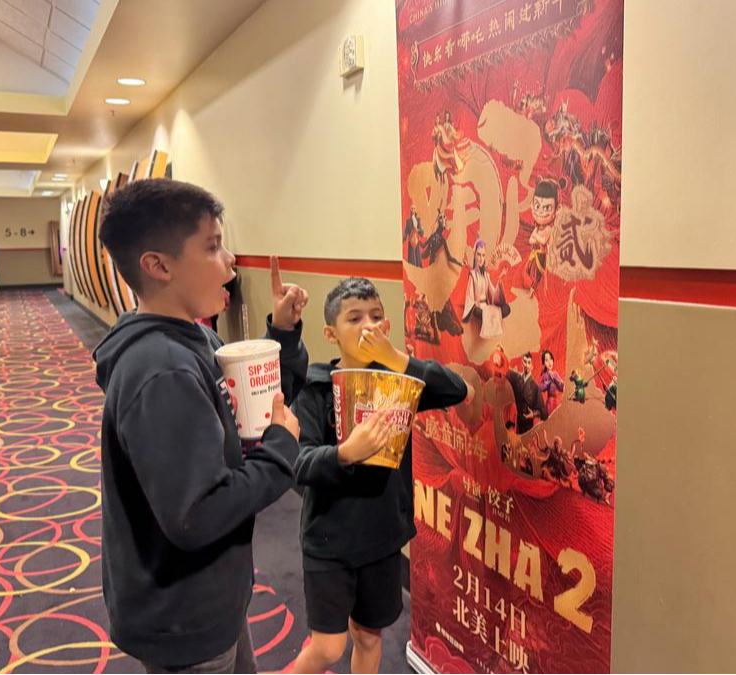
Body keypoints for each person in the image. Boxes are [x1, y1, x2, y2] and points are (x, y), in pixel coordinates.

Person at [92, 179, 310, 674]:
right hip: (181, 616)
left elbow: (253, 409)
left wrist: (282, 334)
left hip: (210, 594)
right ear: (159, 266)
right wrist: (282, 451)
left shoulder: (194, 338)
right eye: (212, 246)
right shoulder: (161, 369)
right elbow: (198, 514)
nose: (230, 262)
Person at [289, 277, 467, 675]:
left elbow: (456, 390)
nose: (368, 326)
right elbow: (298, 463)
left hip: (382, 536)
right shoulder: (315, 389)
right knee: (327, 648)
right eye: (354, 318)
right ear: (331, 334)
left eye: (376, 317)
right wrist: (344, 453)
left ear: (386, 326)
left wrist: (396, 358)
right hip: (329, 539)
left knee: (369, 637)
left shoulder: (399, 383)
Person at [462, 238, 511, 338]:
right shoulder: (472, 275)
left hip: (488, 307)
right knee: (478, 311)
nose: (481, 258)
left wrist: (500, 278)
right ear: (475, 255)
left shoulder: (486, 276)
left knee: (506, 308)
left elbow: (493, 294)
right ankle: (486, 316)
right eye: (479, 254)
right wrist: (474, 305)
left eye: (483, 255)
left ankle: (489, 316)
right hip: (479, 307)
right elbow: (469, 297)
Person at [522, 180, 559, 296]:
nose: (541, 212)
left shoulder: (548, 229)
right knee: (528, 271)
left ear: (556, 210)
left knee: (537, 274)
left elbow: (543, 241)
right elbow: (531, 240)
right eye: (537, 206)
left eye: (547, 208)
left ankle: (535, 291)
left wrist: (536, 236)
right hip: (535, 254)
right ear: (532, 205)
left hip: (543, 256)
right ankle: (531, 289)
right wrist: (536, 237)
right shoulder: (538, 228)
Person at [505, 352, 548, 434]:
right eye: (525, 362)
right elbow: (505, 370)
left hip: (527, 423)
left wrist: (534, 414)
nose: (527, 365)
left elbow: (543, 412)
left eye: (529, 363)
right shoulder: (516, 378)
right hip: (516, 419)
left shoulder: (535, 387)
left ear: (532, 366)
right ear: (522, 363)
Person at [539, 349, 564, 415]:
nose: (549, 362)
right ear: (544, 363)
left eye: (550, 359)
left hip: (558, 401)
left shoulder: (555, 374)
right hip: (551, 402)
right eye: (546, 360)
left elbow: (561, 388)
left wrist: (559, 382)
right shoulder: (545, 375)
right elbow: (540, 387)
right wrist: (547, 383)